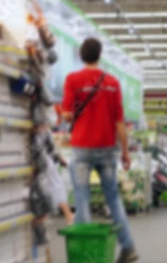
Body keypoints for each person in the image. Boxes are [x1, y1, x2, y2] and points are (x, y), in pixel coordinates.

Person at [62, 38, 138, 263]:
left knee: (83, 199)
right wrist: (125, 152)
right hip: (107, 148)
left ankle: (87, 254)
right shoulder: (113, 82)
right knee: (113, 199)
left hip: (82, 147)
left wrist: (68, 114)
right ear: (100, 55)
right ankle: (128, 247)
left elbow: (67, 114)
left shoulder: (73, 79)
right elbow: (119, 123)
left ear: (81, 55)